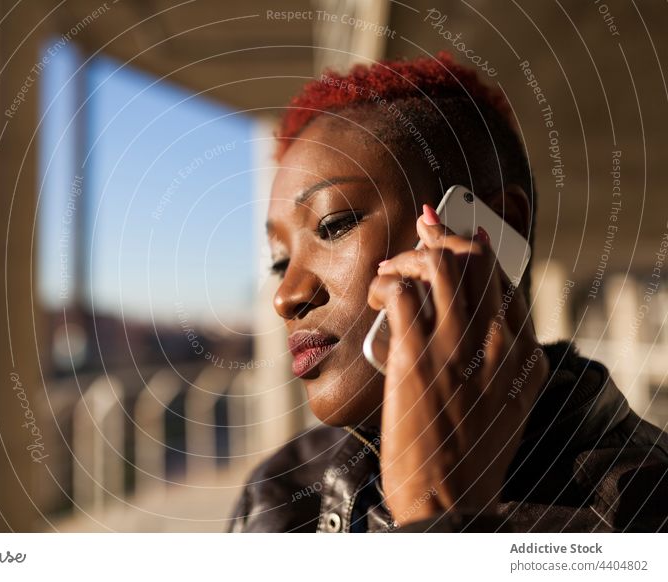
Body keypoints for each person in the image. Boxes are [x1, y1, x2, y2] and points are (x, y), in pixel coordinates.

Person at [227, 52, 668, 533]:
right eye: (279, 261)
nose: (285, 296)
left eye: (334, 225)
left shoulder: (645, 510)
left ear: (491, 233)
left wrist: (436, 512)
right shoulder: (275, 492)